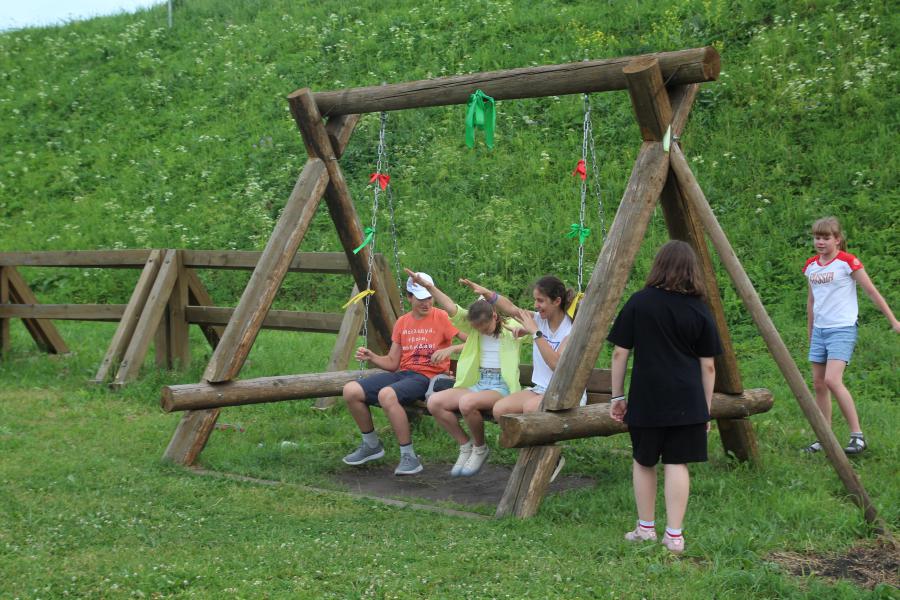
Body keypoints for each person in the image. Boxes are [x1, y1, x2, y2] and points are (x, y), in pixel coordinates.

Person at [607, 240, 723, 555]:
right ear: (691, 271)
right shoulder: (700, 308)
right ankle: (674, 536)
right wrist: (705, 410)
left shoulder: (640, 302)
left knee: (644, 460)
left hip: (648, 396)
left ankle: (645, 529)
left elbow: (619, 353)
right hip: (688, 400)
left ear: (658, 266)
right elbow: (709, 366)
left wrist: (617, 396)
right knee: (677, 462)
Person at [341, 272, 463, 476]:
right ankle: (371, 445)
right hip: (405, 374)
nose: (426, 303)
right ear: (409, 297)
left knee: (387, 394)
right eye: (420, 298)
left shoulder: (441, 317)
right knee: (351, 390)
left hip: (428, 377)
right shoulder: (402, 322)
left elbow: (473, 341)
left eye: (429, 298)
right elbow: (392, 363)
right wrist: (372, 357)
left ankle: (409, 456)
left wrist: (452, 349)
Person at [409, 269, 525, 477]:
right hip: (477, 382)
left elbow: (528, 320)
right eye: (476, 329)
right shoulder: (474, 328)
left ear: (494, 316)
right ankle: (465, 445)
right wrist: (428, 287)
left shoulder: (511, 328)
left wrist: (492, 296)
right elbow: (451, 307)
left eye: (485, 328)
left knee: (467, 403)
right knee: (434, 402)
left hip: (500, 386)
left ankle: (480, 448)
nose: (480, 332)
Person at [802, 217, 899, 455]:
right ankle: (825, 437)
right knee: (818, 384)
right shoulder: (811, 266)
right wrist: (811, 331)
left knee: (832, 380)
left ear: (837, 239)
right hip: (820, 330)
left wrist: (894, 321)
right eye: (817, 237)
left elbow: (871, 292)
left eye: (826, 238)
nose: (820, 242)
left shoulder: (847, 262)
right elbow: (812, 301)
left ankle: (857, 436)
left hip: (842, 328)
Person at [459, 275, 586, 420]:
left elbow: (556, 364)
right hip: (541, 389)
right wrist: (487, 293)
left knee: (530, 408)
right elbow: (511, 309)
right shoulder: (539, 319)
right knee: (500, 409)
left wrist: (536, 333)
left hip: (566, 391)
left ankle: (538, 436)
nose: (535, 305)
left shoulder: (571, 329)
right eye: (535, 300)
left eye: (540, 300)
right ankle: (519, 436)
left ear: (557, 301)